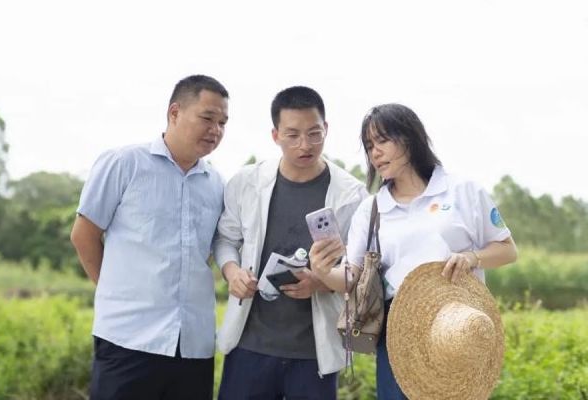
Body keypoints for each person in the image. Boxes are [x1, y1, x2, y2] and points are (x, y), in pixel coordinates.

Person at [309, 103, 517, 399]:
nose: (375, 153)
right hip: (398, 334)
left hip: (458, 328)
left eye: (382, 141)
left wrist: (472, 258)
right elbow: (351, 278)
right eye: (369, 146)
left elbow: (507, 250)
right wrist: (322, 271)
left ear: (409, 138)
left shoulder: (463, 191)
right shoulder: (372, 209)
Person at [70, 75, 229, 400]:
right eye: (207, 118)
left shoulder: (217, 184)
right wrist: (114, 291)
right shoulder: (124, 163)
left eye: (223, 122)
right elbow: (84, 235)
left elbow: (214, 250)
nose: (216, 130)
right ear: (174, 112)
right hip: (128, 338)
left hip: (193, 345)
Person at [213, 86, 367, 400]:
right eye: (293, 135)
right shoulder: (247, 182)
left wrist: (321, 283)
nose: (304, 145)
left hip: (313, 353)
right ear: (275, 135)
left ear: (326, 129)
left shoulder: (352, 194)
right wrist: (232, 273)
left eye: (314, 133)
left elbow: (360, 270)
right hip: (249, 346)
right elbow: (226, 239)